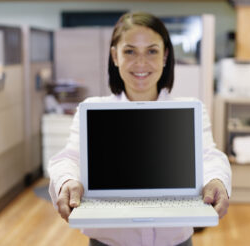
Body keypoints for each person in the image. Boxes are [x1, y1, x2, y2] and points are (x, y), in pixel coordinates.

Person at [48, 12, 231, 246]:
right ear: (115, 56)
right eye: (130, 51)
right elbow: (68, 157)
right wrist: (67, 182)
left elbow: (209, 156)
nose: (141, 62)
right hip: (108, 241)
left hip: (175, 241)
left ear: (165, 56)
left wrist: (216, 180)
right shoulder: (92, 110)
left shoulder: (189, 111)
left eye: (152, 51)